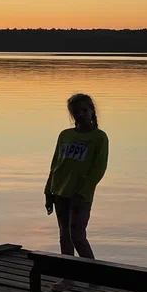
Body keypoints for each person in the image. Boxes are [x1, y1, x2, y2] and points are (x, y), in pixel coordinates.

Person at [44, 93, 108, 267]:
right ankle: (68, 277)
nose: (80, 114)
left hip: (80, 194)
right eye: (75, 111)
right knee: (64, 235)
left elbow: (99, 169)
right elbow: (55, 164)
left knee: (77, 235)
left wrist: (83, 192)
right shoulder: (65, 135)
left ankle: (94, 277)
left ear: (92, 111)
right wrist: (48, 190)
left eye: (84, 110)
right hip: (59, 191)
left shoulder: (99, 137)